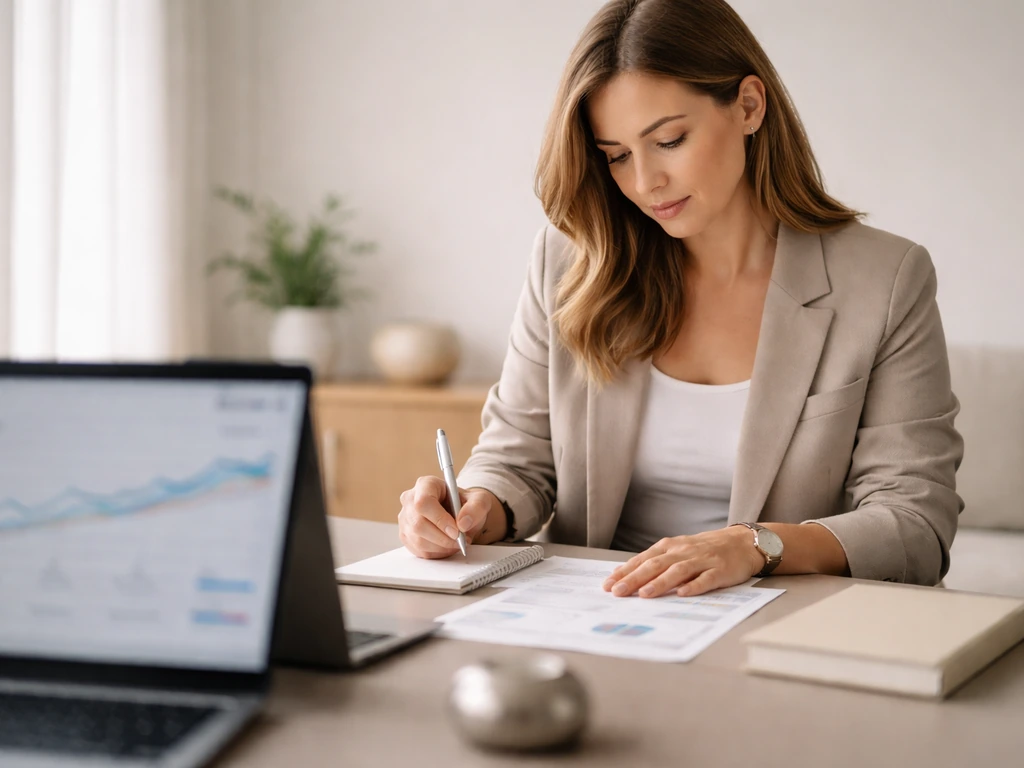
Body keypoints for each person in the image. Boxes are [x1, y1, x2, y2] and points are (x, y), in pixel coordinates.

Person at [397, 0, 964, 597]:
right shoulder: (572, 260)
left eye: (668, 140)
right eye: (615, 155)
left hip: (779, 619)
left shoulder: (886, 278)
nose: (644, 183)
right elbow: (517, 458)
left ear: (749, 105)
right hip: (595, 610)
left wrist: (754, 545)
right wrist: (476, 506)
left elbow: (916, 525)